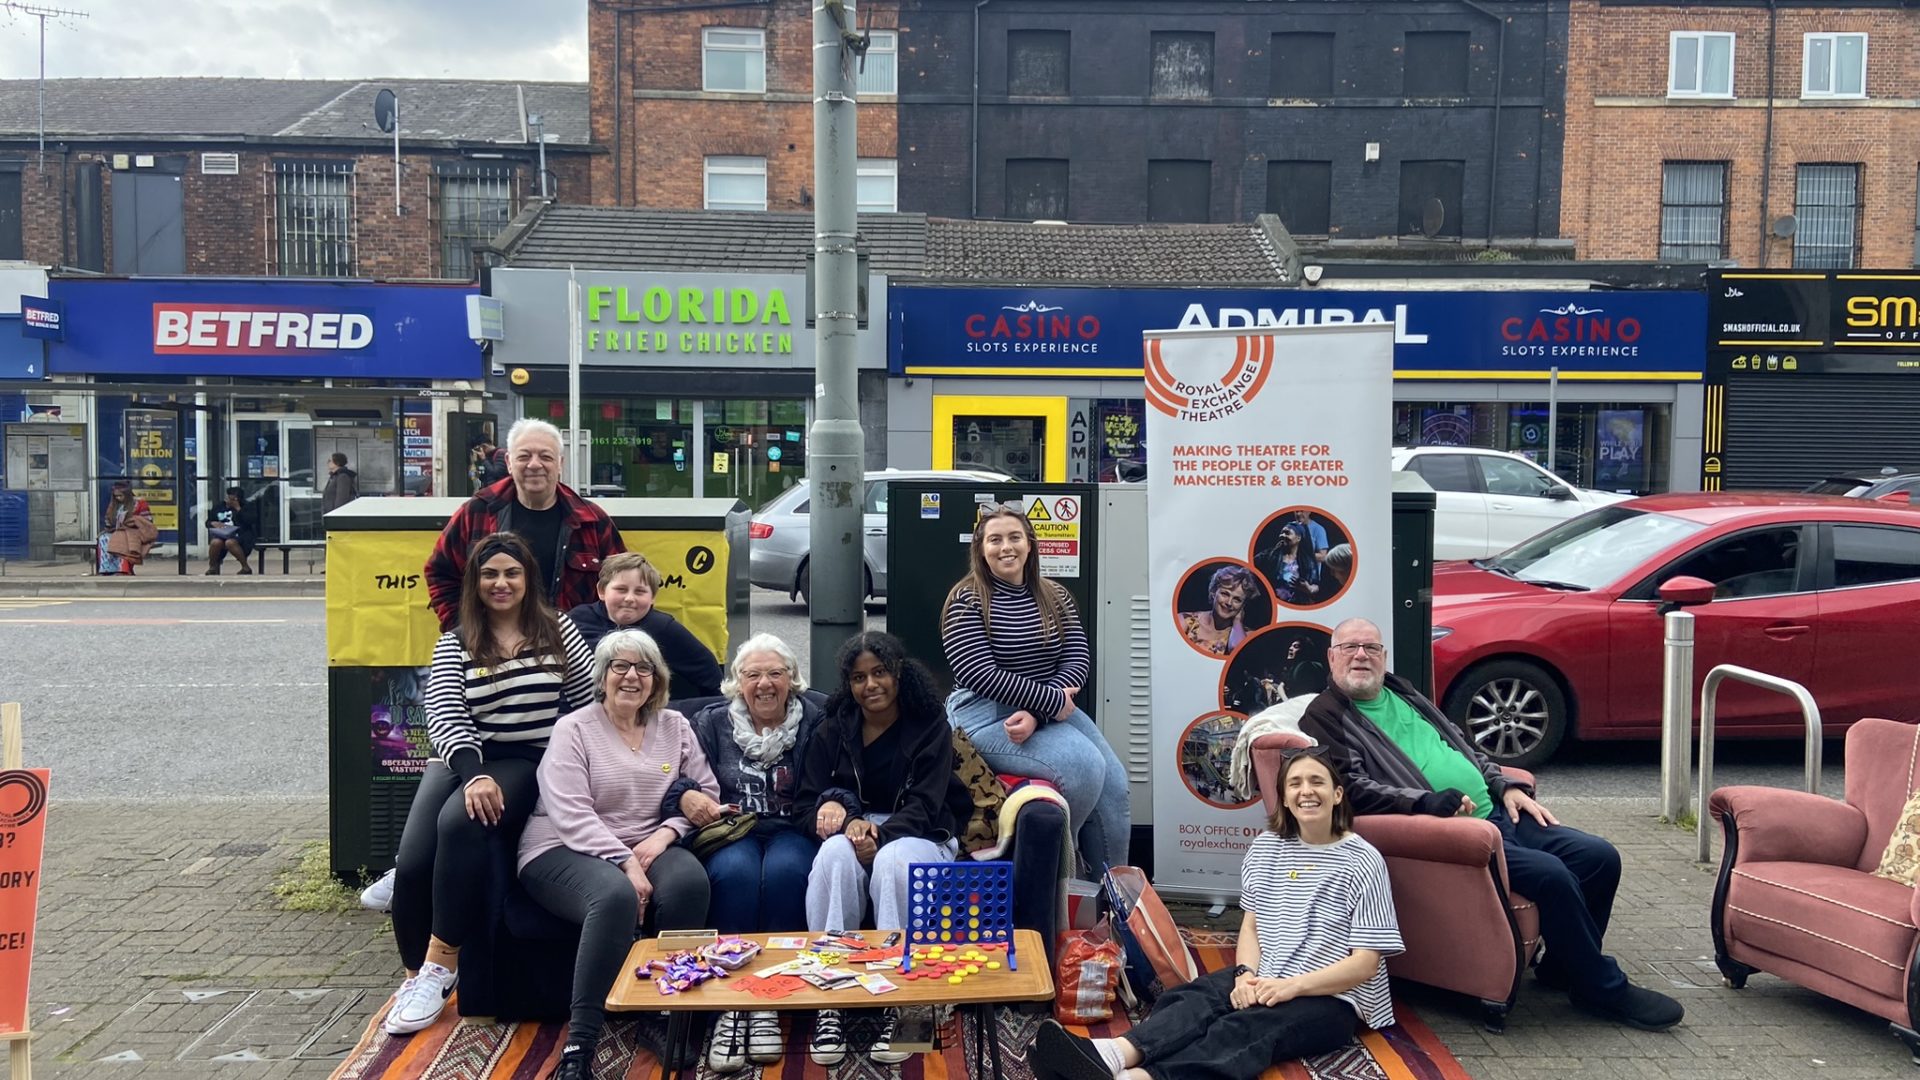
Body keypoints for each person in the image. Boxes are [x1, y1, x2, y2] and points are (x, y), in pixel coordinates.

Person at [1299, 617, 1685, 1032]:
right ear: (1332, 657)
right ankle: (1602, 988)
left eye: (1371, 648)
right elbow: (1350, 788)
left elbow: (1459, 744)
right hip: (1459, 833)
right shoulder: (1324, 717)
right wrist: (1424, 801)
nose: (1361, 656)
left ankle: (1562, 970)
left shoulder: (1400, 690)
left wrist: (1503, 785)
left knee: (1599, 857)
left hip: (1500, 811)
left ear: (1383, 657)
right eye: (1351, 647)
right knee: (1552, 876)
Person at [1031, 748, 1402, 1080]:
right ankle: (1111, 1056)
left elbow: (1365, 964)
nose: (1306, 791)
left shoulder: (1362, 860)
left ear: (1337, 795)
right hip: (1269, 973)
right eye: (1295, 783)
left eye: (1317, 782)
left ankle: (1144, 1078)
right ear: (1285, 798)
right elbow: (1253, 927)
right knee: (1192, 999)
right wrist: (1245, 976)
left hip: (1334, 998)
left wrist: (1291, 987)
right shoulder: (1267, 847)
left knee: (1244, 1029)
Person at [382, 532, 595, 1038]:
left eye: (512, 573)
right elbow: (445, 711)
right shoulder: (457, 639)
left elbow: (585, 703)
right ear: (475, 583)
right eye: (490, 574)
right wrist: (472, 771)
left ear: (528, 580)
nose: (501, 583)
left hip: (530, 757)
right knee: (412, 861)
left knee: (462, 822)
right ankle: (414, 975)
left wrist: (570, 767)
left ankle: (442, 964)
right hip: (466, 757)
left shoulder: (559, 630)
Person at [518, 628, 718, 1080]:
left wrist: (665, 835)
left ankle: (663, 1017)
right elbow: (571, 814)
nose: (632, 676)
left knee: (689, 882)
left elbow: (705, 792)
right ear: (602, 675)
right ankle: (580, 1046)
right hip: (561, 846)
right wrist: (625, 861)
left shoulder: (675, 726)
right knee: (613, 897)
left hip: (648, 841)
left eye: (643, 668)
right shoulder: (574, 729)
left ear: (657, 678)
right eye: (620, 666)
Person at [797, 631, 970, 1067]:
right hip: (855, 834)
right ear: (848, 684)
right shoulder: (832, 728)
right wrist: (834, 809)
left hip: (921, 834)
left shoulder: (929, 724)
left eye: (880, 673)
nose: (870, 685)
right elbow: (805, 802)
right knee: (833, 855)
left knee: (894, 862)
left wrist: (880, 836)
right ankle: (830, 993)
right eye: (858, 677)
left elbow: (927, 805)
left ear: (898, 674)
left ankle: (906, 1001)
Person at [661, 633, 823, 1073]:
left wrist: (833, 803)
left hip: (794, 827)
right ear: (737, 682)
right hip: (731, 831)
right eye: (753, 674)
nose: (765, 684)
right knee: (735, 875)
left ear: (792, 679)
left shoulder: (817, 718)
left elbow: (836, 774)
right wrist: (686, 796)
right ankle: (731, 1004)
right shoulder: (712, 722)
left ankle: (770, 998)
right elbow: (676, 775)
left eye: (775, 673)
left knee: (790, 872)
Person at [942, 503, 1129, 875]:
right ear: (981, 549)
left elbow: (1077, 659)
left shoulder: (1054, 595)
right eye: (995, 540)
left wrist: (1038, 713)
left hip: (1048, 705)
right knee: (1084, 766)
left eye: (1014, 537)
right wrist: (1049, 703)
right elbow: (980, 673)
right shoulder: (965, 601)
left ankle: (1113, 894)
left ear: (1030, 544)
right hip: (983, 713)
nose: (1005, 547)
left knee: (1115, 784)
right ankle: (1067, 872)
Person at [425, 418, 625, 630]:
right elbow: (440, 573)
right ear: (509, 462)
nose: (534, 464)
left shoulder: (592, 521)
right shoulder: (476, 512)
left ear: (560, 464)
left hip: (574, 650)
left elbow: (620, 584)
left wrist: (596, 636)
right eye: (524, 456)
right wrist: (466, 629)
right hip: (493, 651)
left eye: (545, 456)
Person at [567, 552, 723, 699]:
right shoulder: (577, 621)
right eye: (621, 589)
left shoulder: (664, 628)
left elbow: (711, 675)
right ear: (602, 591)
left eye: (640, 592)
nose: (629, 598)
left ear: (653, 597)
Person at [1179, 565, 1257, 656]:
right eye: (1225, 594)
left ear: (1243, 605)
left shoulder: (1247, 635)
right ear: (1213, 592)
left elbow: (1238, 652)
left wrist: (1237, 621)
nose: (1229, 602)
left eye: (1237, 600)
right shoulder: (1186, 620)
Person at [97, 480, 156, 575]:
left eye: (121, 495)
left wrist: (133, 521)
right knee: (104, 538)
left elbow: (147, 521)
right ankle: (107, 568)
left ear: (127, 494)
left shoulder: (140, 503)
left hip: (133, 531)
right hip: (116, 530)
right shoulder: (114, 505)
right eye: (116, 496)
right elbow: (108, 520)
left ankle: (122, 569)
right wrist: (111, 525)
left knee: (122, 539)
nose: (118, 498)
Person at [205, 486, 260, 576]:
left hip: (240, 534)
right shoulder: (218, 507)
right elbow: (208, 522)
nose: (230, 500)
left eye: (233, 498)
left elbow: (250, 520)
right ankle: (212, 566)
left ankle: (245, 567)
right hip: (222, 533)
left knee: (230, 542)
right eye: (229, 497)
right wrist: (212, 523)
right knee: (215, 542)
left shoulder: (246, 506)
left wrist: (238, 508)